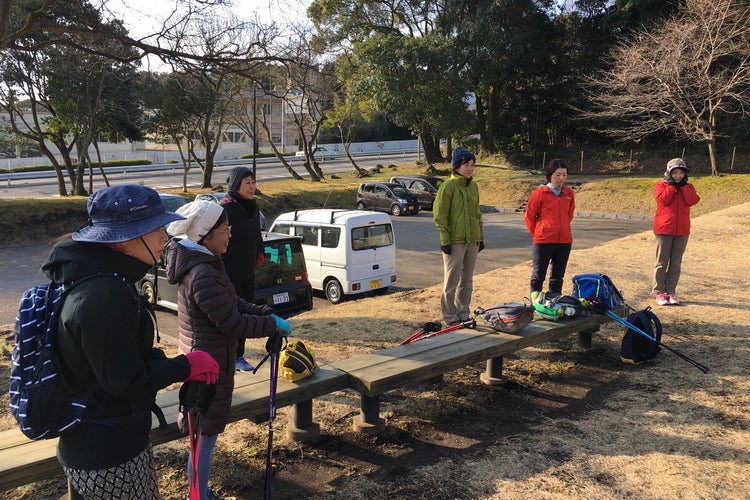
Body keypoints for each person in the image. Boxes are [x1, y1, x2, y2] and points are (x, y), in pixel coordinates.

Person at [42, 184, 219, 500]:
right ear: (126, 237)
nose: (166, 235)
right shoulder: (103, 296)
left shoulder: (102, 278)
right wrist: (186, 366)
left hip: (102, 439)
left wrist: (175, 365)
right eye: (157, 228)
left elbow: (123, 361)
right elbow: (125, 381)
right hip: (108, 450)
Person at [165, 200, 291, 500]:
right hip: (206, 371)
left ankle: (200, 491)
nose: (230, 234)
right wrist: (270, 326)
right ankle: (198, 496)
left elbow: (235, 303)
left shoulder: (206, 263)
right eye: (225, 229)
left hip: (210, 363)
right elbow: (231, 322)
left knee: (204, 439)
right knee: (202, 441)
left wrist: (265, 313)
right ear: (207, 234)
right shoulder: (203, 273)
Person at [221, 166, 266, 371]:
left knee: (247, 314)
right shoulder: (226, 208)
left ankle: (239, 355)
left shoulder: (252, 207)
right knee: (233, 315)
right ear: (235, 184)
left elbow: (257, 234)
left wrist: (260, 251)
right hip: (230, 272)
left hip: (248, 270)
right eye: (247, 182)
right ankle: (230, 356)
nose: (252, 186)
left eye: (254, 182)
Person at [433, 146, 484, 326]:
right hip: (454, 241)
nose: (470, 168)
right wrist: (445, 240)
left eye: (472, 165)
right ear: (456, 167)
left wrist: (480, 237)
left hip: (472, 240)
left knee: (467, 279)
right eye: (465, 165)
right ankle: (450, 317)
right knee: (451, 280)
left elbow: (477, 214)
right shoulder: (448, 186)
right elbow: (440, 215)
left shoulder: (474, 187)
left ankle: (463, 313)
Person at [652, 158, 700, 306]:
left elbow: (692, 200)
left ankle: (671, 291)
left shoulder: (688, 187)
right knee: (661, 262)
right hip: (664, 229)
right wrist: (671, 186)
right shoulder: (661, 186)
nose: (678, 176)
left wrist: (684, 187)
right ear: (668, 173)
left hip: (682, 230)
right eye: (674, 173)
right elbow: (663, 200)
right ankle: (659, 291)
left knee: (676, 263)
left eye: (680, 172)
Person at [524, 158, 575, 295]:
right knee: (538, 275)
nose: (561, 178)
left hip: (564, 240)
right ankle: (535, 306)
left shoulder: (569, 194)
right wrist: (539, 232)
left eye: (564, 174)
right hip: (543, 240)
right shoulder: (540, 193)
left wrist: (561, 227)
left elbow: (569, 215)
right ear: (550, 175)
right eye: (558, 174)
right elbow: (529, 216)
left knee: (558, 276)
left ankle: (554, 303)